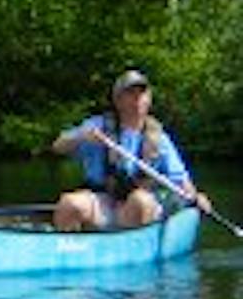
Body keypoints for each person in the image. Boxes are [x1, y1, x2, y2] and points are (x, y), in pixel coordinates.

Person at [51, 69, 210, 231]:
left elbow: (181, 180)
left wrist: (196, 197)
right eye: (130, 93)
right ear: (118, 100)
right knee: (70, 204)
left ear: (149, 100)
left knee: (140, 201)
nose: (137, 99)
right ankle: (66, 247)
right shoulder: (98, 126)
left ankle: (128, 244)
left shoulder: (159, 139)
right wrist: (81, 137)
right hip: (103, 200)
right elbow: (58, 146)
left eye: (142, 94)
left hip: (140, 206)